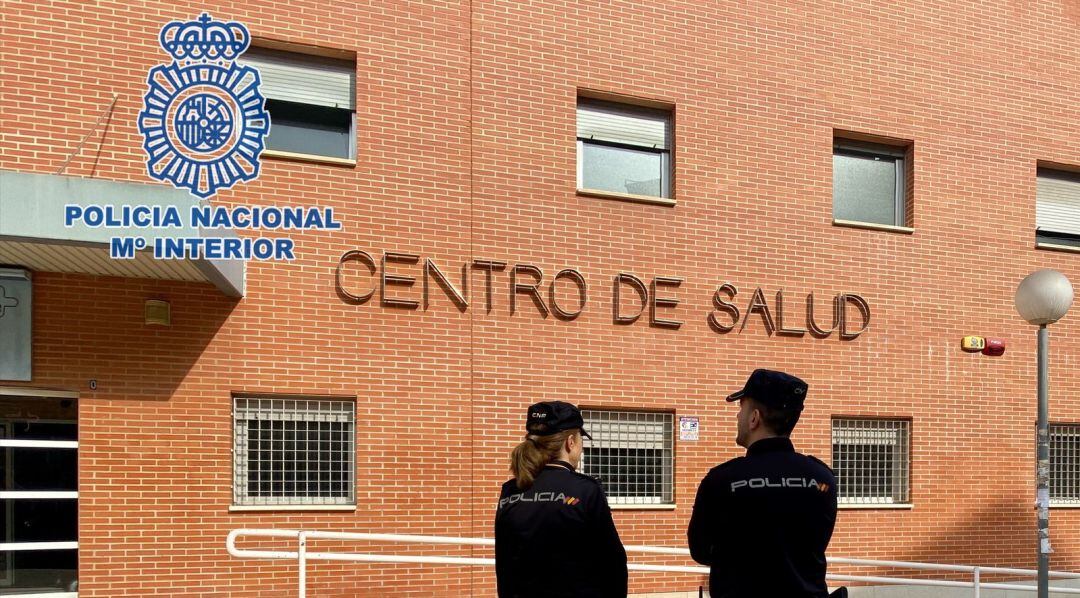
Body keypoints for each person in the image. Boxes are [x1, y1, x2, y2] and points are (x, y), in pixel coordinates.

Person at [687, 369, 840, 598]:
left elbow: (700, 551)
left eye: (741, 409)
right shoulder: (823, 479)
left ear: (754, 418)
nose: (737, 417)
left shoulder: (721, 480)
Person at [495, 400, 628, 598]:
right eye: (580, 440)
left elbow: (504, 563)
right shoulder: (586, 490)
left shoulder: (510, 490)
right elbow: (612, 563)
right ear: (570, 442)